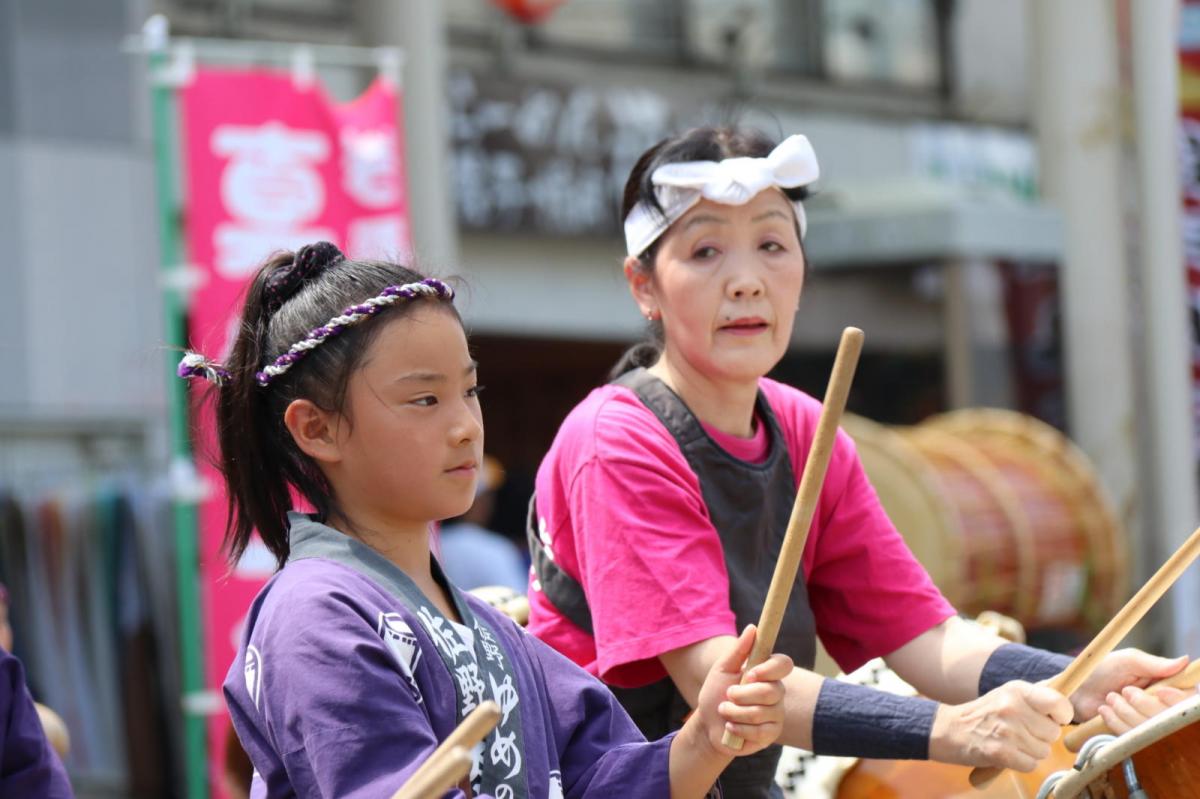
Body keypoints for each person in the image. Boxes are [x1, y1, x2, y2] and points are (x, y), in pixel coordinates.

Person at [524, 126, 1189, 798]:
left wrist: (1079, 678)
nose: (747, 281)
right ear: (643, 284)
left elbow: (927, 640)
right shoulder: (616, 440)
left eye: (772, 244)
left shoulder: (809, 430)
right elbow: (721, 682)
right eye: (704, 251)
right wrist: (951, 729)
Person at [179, 241, 793, 799]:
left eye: (469, 392)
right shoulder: (315, 613)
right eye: (425, 399)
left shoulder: (489, 628)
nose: (466, 425)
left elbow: (599, 778)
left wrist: (705, 739)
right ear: (317, 428)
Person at [439, 455, 530, 593]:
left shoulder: (429, 543)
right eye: (487, 496)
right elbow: (517, 604)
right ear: (479, 501)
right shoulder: (495, 548)